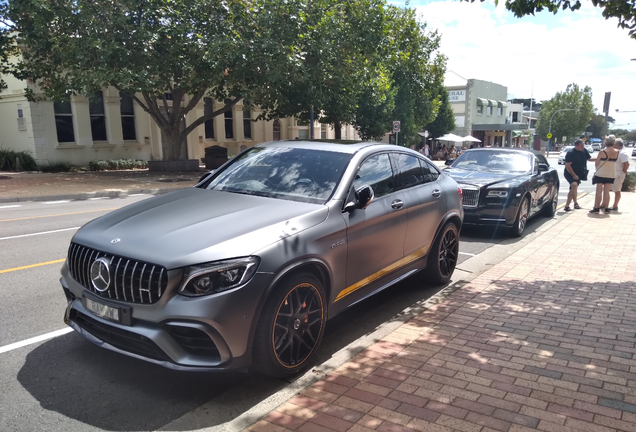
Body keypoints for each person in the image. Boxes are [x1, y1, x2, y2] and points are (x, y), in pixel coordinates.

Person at [590, 135, 619, 214]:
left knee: (599, 191)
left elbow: (597, 163)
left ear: (606, 142)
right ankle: (606, 208)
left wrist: (597, 168)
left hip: (600, 173)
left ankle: (597, 207)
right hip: (610, 173)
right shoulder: (617, 152)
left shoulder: (602, 151)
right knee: (607, 191)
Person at [563, 139, 593, 211]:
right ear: (576, 146)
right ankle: (575, 203)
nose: (583, 147)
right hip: (570, 173)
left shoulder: (584, 151)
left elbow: (589, 158)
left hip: (579, 173)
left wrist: (600, 158)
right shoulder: (571, 153)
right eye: (581, 145)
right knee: (574, 185)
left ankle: (567, 206)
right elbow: (567, 166)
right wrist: (573, 175)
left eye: (583, 145)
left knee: (572, 189)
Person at [611, 138, 629, 212]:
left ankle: (615, 205)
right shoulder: (617, 152)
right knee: (608, 189)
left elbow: (626, 163)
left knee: (617, 190)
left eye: (614, 144)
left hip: (618, 174)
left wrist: (624, 170)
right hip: (613, 173)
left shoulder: (622, 153)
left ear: (617, 145)